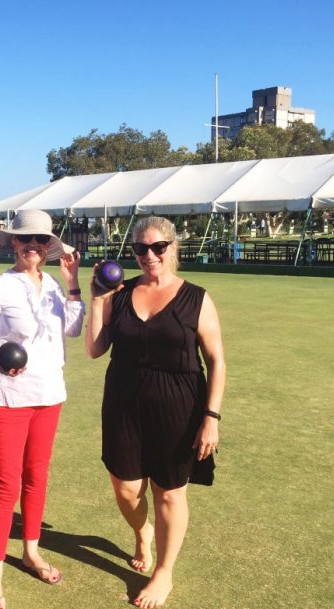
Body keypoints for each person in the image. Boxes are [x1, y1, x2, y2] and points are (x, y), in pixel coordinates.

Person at [85, 216, 226, 609]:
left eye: (158, 247)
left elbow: (216, 361)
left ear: (173, 247)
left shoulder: (196, 297)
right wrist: (98, 299)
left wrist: (211, 418)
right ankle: (142, 531)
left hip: (179, 406)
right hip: (123, 403)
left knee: (169, 493)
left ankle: (163, 572)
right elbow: (95, 349)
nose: (150, 256)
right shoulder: (121, 291)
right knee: (126, 488)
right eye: (141, 249)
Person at [0, 209, 85, 609]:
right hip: (9, 395)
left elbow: (72, 328)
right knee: (6, 484)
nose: (33, 248)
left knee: (37, 476)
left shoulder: (55, 286)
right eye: (25, 241)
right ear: (13, 244)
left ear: (47, 247)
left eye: (40, 242)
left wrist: (73, 285)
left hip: (50, 393)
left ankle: (30, 551)